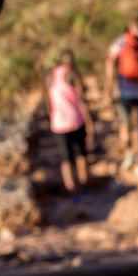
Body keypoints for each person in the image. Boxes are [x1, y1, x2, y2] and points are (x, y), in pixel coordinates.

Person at [105, 15, 138, 178]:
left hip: (125, 90)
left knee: (125, 124)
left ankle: (129, 153)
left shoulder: (122, 41)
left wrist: (108, 87)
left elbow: (110, 62)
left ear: (131, 26)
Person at [45, 48, 93, 197]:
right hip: (76, 121)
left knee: (66, 158)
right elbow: (81, 100)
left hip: (58, 124)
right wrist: (89, 122)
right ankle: (84, 187)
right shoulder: (73, 74)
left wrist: (52, 116)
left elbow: (48, 100)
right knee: (80, 155)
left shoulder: (50, 76)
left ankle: (72, 190)